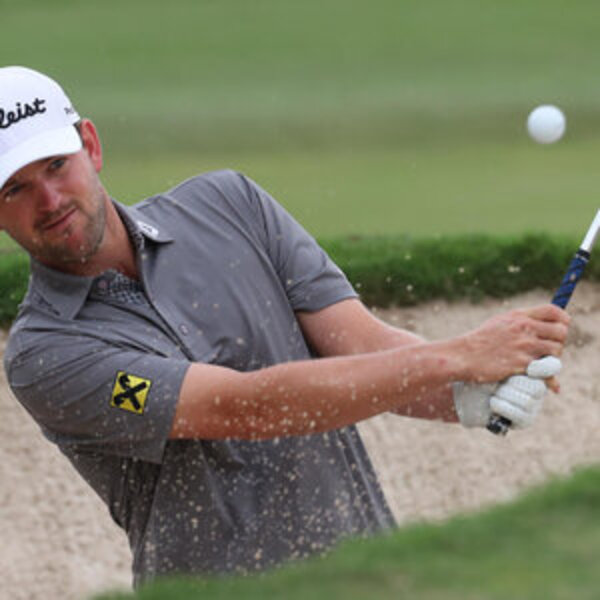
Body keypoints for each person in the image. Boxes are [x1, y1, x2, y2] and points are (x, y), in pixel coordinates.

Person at [0, 66, 568, 587]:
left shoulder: (229, 204)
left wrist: (466, 392)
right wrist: (456, 356)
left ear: (91, 146)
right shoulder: (45, 353)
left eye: (56, 165)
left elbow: (363, 346)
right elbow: (243, 409)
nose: (49, 199)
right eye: (15, 189)